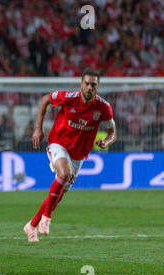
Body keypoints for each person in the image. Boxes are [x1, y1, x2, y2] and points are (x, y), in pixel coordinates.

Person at [23, 69, 117, 242]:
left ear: (98, 87)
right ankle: (46, 219)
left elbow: (112, 133)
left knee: (58, 196)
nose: (89, 87)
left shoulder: (103, 107)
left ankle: (32, 225)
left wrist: (107, 142)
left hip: (78, 155)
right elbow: (45, 99)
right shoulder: (68, 97)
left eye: (93, 85)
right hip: (58, 143)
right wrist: (38, 129)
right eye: (86, 84)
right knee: (64, 174)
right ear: (81, 84)